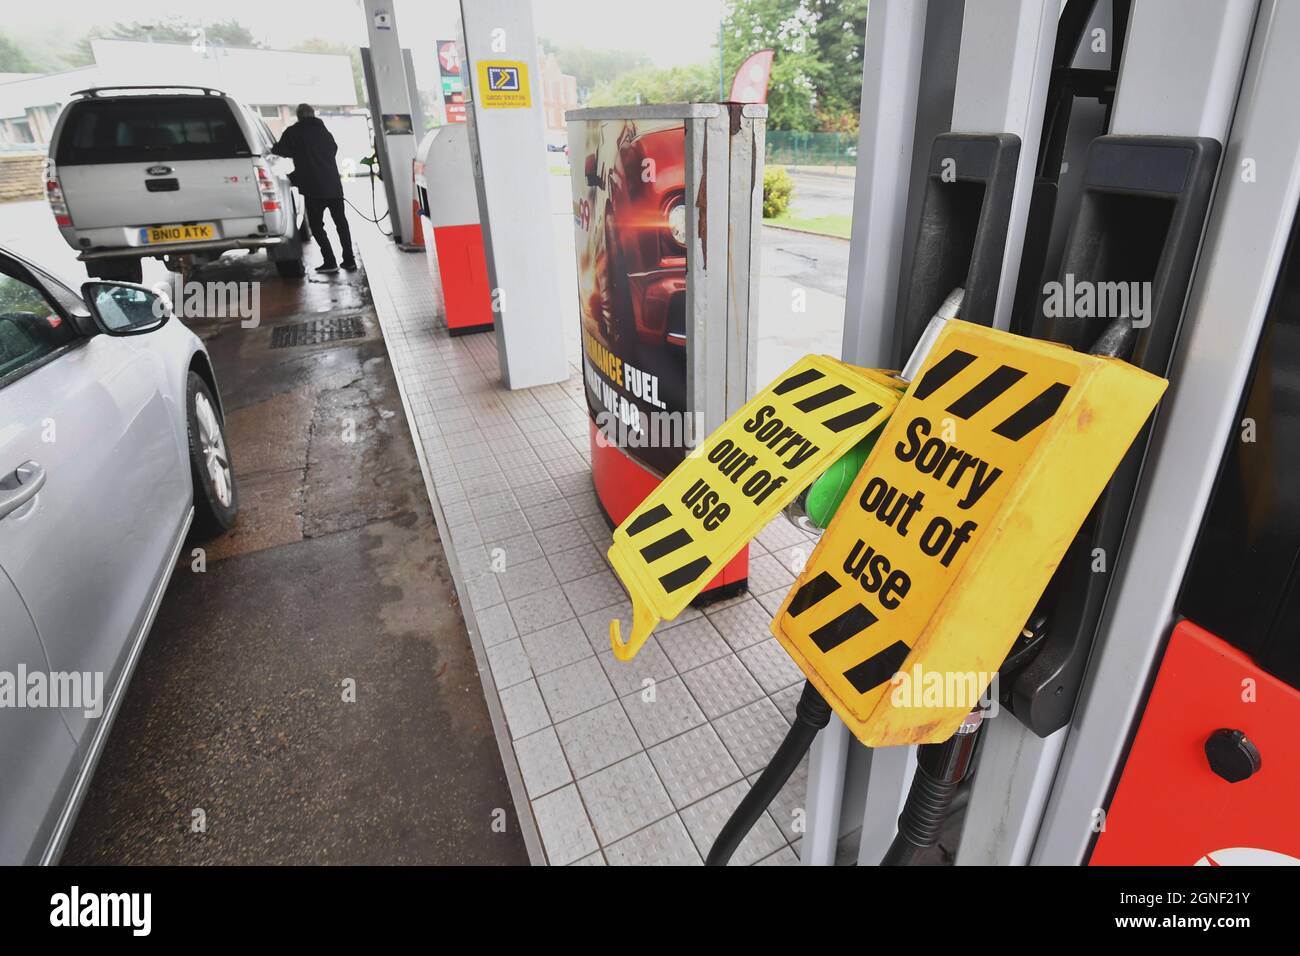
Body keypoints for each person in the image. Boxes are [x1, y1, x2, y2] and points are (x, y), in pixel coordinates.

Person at [273, 104, 355, 273]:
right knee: (341, 224)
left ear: (299, 116)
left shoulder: (293, 132)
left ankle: (330, 261)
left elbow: (279, 150)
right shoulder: (325, 132)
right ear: (313, 114)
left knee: (317, 227)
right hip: (333, 187)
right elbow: (333, 150)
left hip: (313, 189)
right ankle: (349, 261)